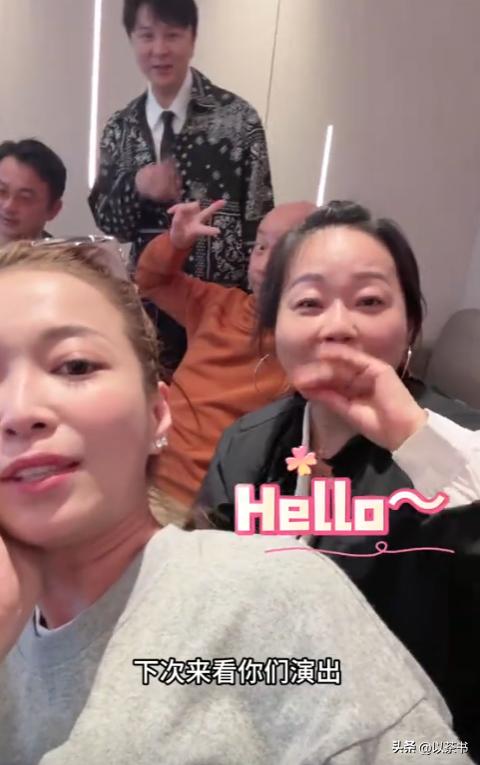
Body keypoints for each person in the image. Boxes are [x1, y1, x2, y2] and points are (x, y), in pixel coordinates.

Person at [0, 239, 472, 764]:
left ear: (158, 413)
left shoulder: (268, 593)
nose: (20, 411)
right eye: (309, 302)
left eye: (74, 366)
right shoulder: (253, 441)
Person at [197, 200, 480, 759]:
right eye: (308, 303)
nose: (338, 327)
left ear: (410, 323)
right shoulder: (247, 445)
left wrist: (418, 443)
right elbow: (216, 607)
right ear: (274, 325)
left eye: (369, 301)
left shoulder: (463, 450)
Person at [88, 0, 274, 374]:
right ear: (132, 40)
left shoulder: (239, 119)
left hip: (220, 311)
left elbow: (259, 217)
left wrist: (256, 311)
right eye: (146, 36)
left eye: (172, 35)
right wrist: (137, 184)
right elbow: (110, 222)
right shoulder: (120, 128)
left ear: (192, 38)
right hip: (147, 308)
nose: (159, 49)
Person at [135, 198, 315, 510]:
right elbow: (151, 280)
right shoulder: (218, 305)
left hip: (208, 507)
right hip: (142, 476)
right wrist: (176, 243)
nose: (264, 264)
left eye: (288, 251)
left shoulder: (313, 342)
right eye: (260, 247)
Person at [0, 138, 66, 245]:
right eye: (2, 191)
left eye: (24, 198)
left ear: (54, 209)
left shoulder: (63, 256)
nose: (8, 207)